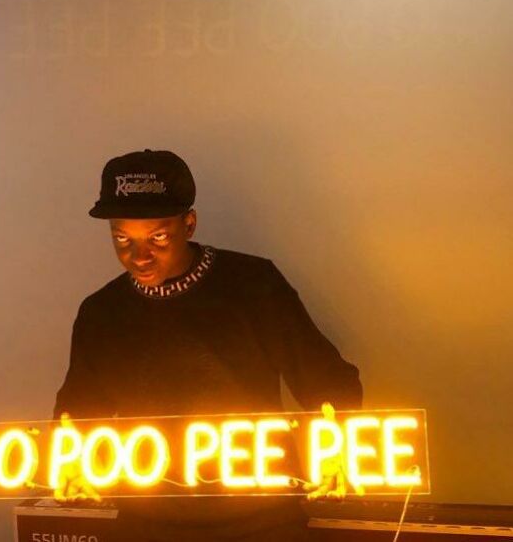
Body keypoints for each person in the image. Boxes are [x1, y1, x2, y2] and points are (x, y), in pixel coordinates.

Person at [53, 149, 362, 541]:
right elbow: (78, 411)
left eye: (158, 237)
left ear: (190, 224)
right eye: (122, 239)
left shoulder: (253, 285)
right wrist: (72, 462)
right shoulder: (102, 312)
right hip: (147, 523)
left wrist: (336, 444)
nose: (139, 256)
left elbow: (326, 379)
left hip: (261, 520)